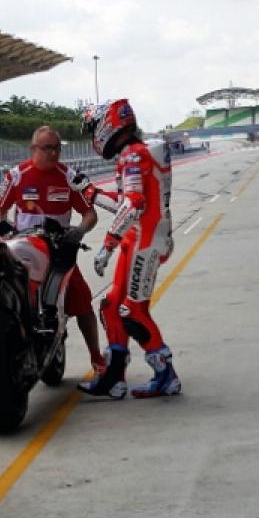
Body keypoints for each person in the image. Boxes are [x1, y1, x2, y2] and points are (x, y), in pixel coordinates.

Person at [78, 99, 181, 399]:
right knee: (111, 307)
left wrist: (106, 245)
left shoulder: (133, 157)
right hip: (137, 240)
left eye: (94, 128)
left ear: (108, 125)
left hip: (145, 243)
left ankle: (166, 375)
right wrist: (89, 191)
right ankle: (114, 378)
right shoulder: (132, 154)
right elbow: (126, 201)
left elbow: (133, 204)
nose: (94, 136)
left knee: (131, 311)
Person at [0, 126, 107, 376]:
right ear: (33, 150)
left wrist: (79, 231)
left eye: (57, 148)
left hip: (58, 248)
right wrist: (0, 227)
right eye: (47, 148)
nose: (53, 153)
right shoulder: (16, 176)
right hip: (23, 249)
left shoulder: (69, 177)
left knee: (83, 300)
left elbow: (90, 213)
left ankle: (97, 359)